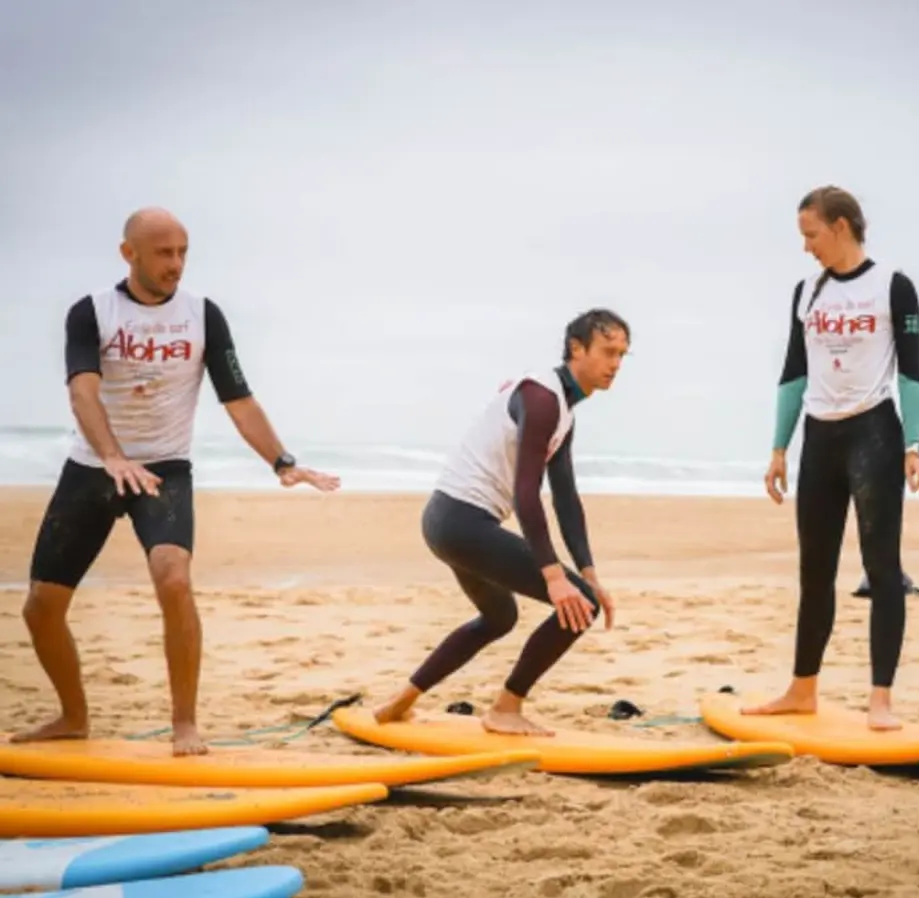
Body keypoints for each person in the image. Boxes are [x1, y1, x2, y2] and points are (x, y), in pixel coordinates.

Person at [11, 207, 341, 756]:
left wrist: (282, 462)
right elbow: (83, 392)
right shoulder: (92, 312)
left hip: (164, 468)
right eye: (164, 253)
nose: (176, 264)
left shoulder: (202, 315)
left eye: (183, 251)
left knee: (174, 578)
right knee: (41, 606)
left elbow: (239, 399)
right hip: (94, 468)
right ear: (129, 254)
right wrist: (112, 456)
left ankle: (184, 724)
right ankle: (72, 717)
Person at [372, 309, 630, 737]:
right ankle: (506, 708)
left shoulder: (562, 407)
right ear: (576, 349)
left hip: (448, 521)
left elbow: (565, 496)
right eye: (607, 352)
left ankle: (401, 702)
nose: (616, 364)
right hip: (462, 520)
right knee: (578, 607)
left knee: (500, 617)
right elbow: (525, 493)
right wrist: (554, 577)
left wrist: (588, 573)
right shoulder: (543, 398)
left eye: (622, 354)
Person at [752, 185, 919, 731]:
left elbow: (912, 370)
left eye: (811, 234)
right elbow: (793, 372)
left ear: (841, 226)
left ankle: (880, 699)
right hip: (820, 438)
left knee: (883, 570)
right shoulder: (806, 292)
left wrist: (914, 446)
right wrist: (779, 448)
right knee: (815, 573)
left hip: (874, 433)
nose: (806, 246)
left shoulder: (892, 287)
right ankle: (801, 689)